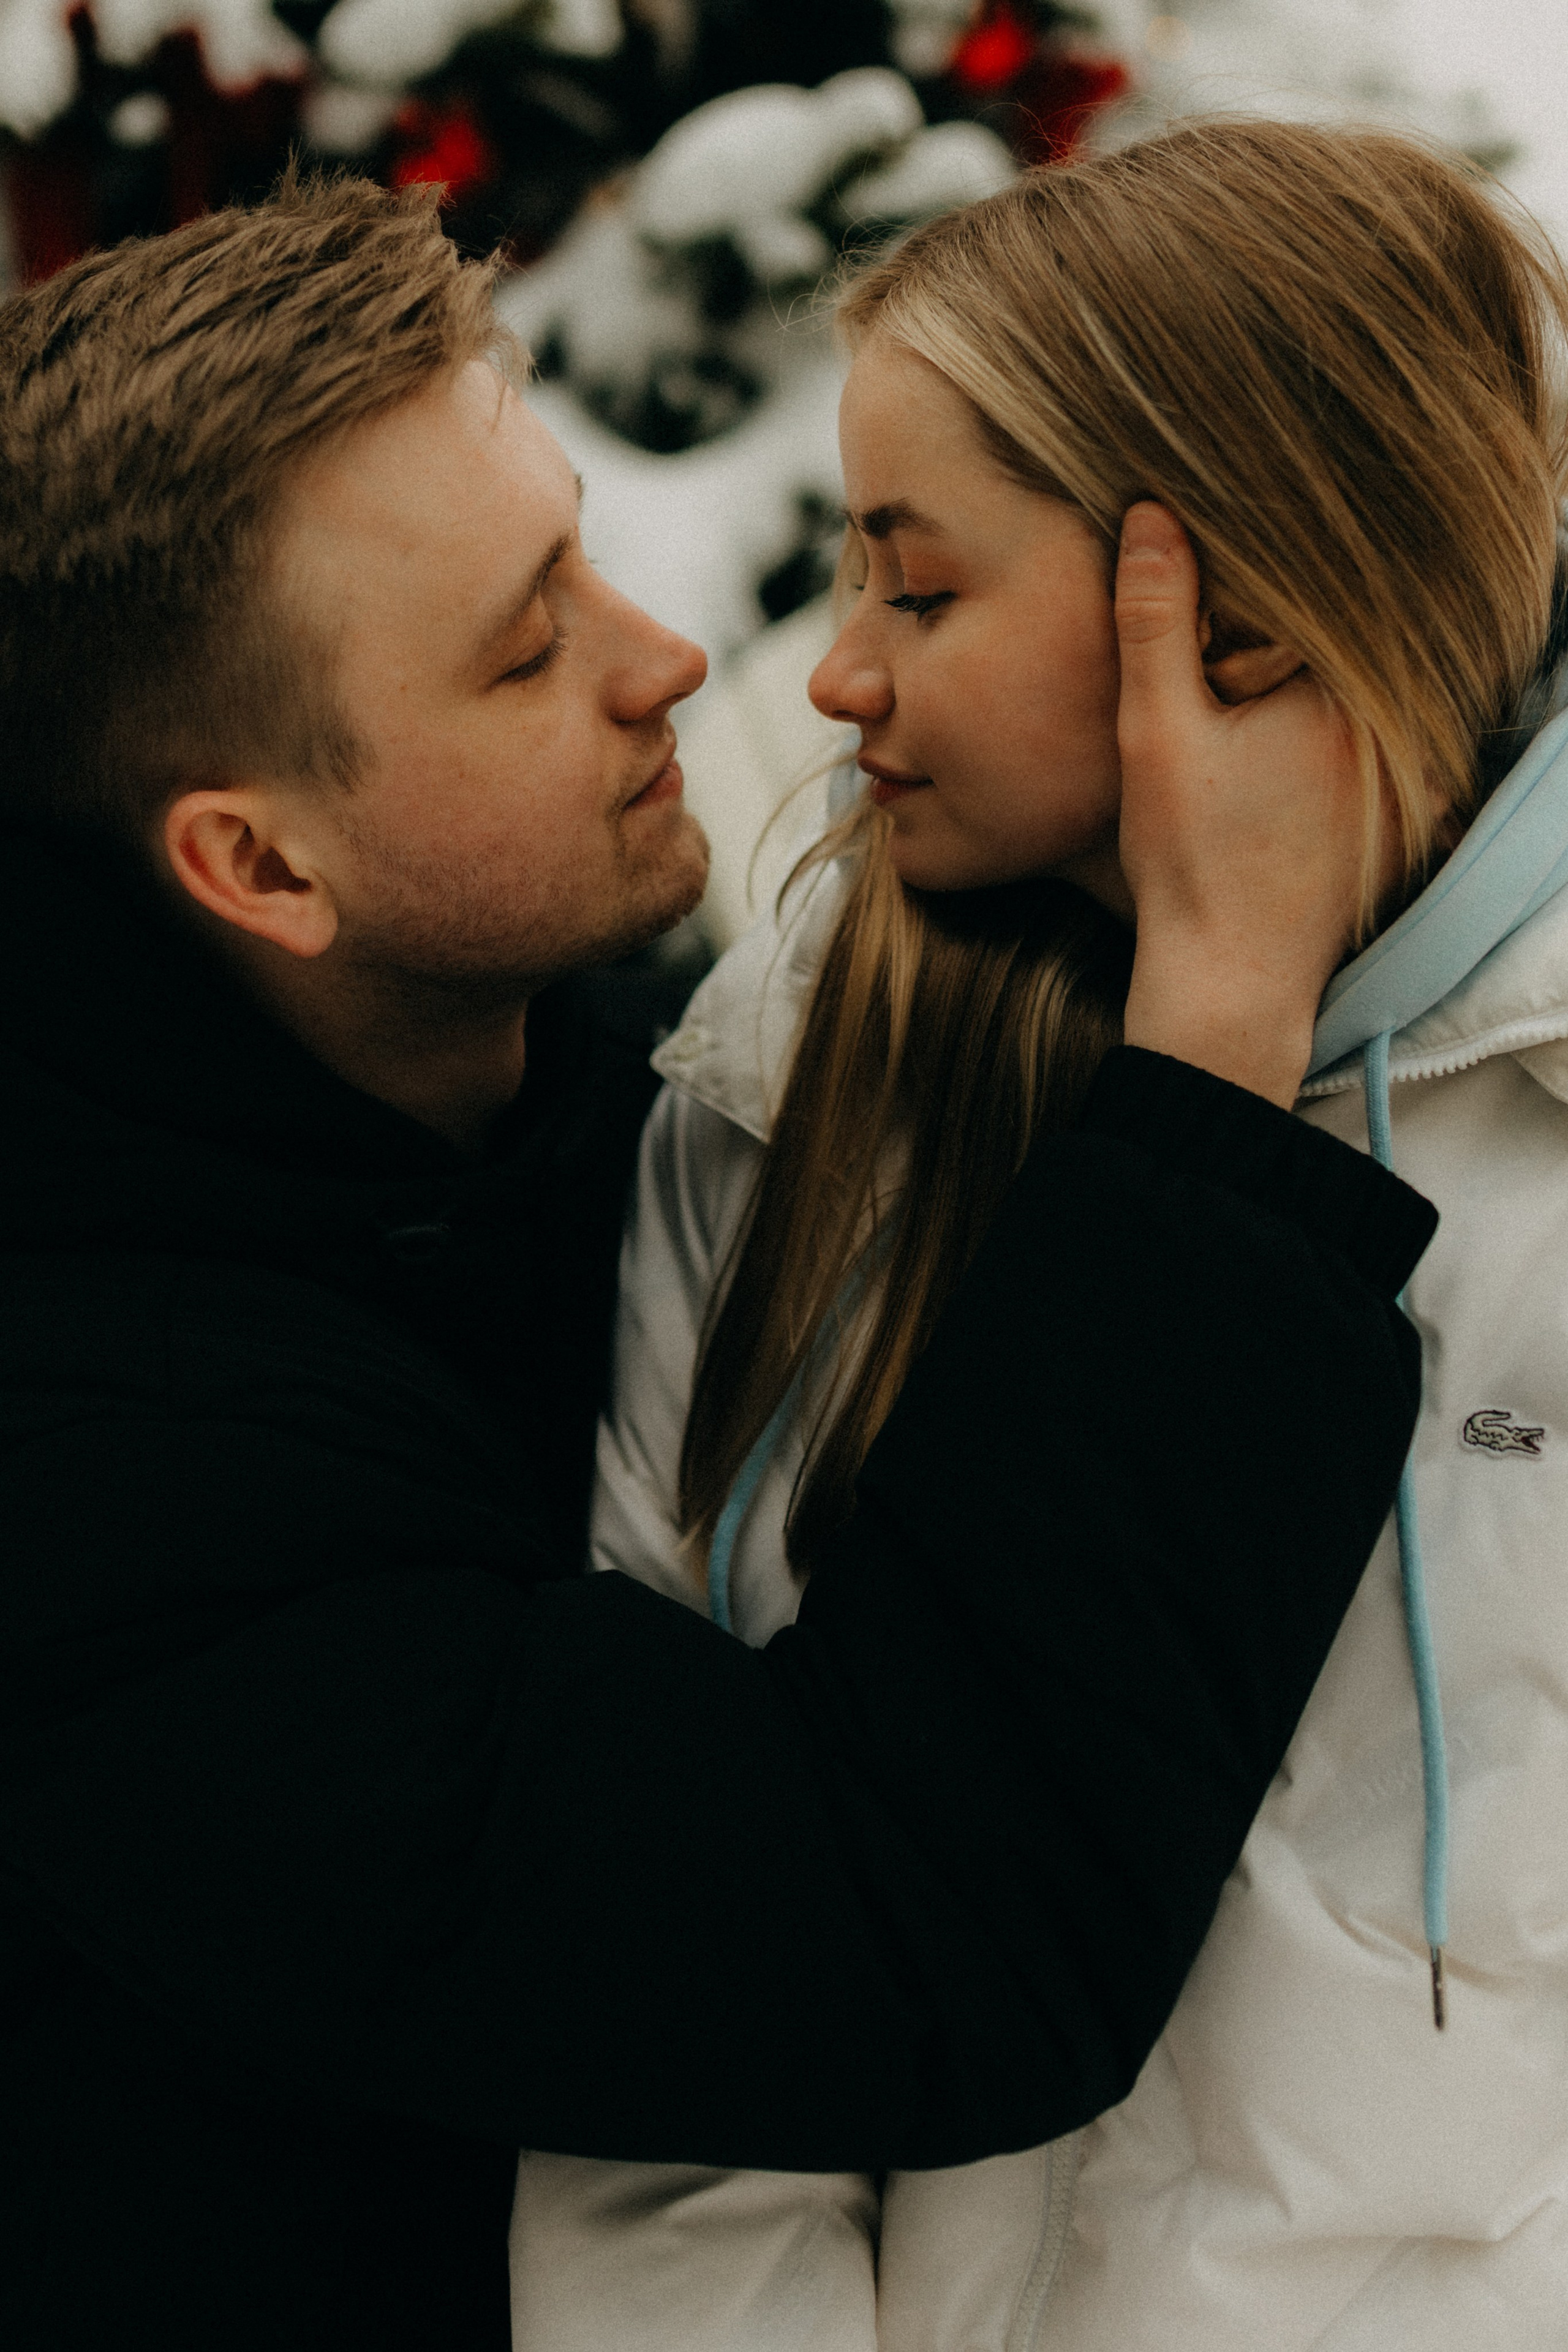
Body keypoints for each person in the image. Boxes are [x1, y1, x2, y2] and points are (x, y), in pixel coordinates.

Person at [0, 170, 1432, 2352]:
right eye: (526, 641)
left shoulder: (551, 1096)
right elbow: (900, 1941)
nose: (665, 651)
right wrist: (1217, 1042)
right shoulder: (94, 1475)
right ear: (259, 860)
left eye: (574, 544)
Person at [511, 121, 1568, 2352]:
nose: (831, 674)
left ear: (1241, 599)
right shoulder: (797, 1077)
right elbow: (674, 1982)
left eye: (922, 586)